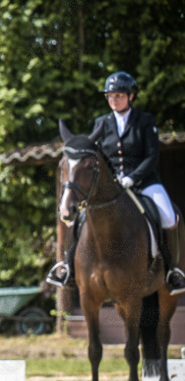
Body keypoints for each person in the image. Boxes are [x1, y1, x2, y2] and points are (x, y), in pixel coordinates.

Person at [46, 71, 185, 295]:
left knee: (168, 216)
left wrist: (133, 177)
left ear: (131, 96)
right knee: (79, 217)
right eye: (110, 96)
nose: (113, 100)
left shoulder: (145, 121)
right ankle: (67, 267)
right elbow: (97, 157)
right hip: (113, 186)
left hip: (144, 182)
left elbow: (152, 156)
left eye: (118, 95)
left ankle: (172, 270)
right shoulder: (101, 123)